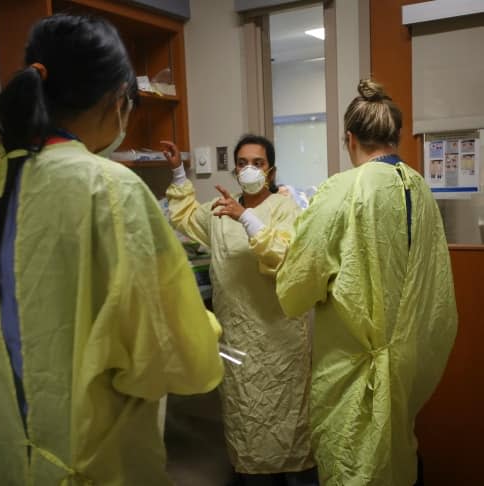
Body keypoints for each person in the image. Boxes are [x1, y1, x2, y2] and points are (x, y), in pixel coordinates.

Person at [0, 14, 224, 485]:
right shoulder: (107, 186)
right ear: (116, 97)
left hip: (15, 462)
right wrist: (204, 326)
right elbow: (176, 357)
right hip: (95, 463)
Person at [276, 79, 458, 486]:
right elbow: (438, 296)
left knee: (354, 461)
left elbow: (295, 288)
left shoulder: (344, 189)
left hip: (352, 371)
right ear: (394, 136)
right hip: (410, 365)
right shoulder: (420, 189)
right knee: (398, 454)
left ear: (350, 138)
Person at [163, 135, 318, 485]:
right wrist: (177, 171)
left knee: (289, 425)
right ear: (235, 168)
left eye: (258, 163)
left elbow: (283, 255)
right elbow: (186, 217)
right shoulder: (219, 211)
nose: (249, 169)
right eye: (243, 162)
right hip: (239, 339)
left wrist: (245, 217)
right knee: (246, 419)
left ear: (271, 170)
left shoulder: (284, 209)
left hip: (281, 341)